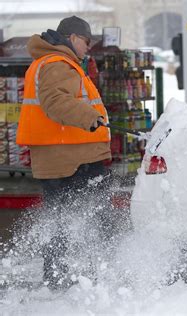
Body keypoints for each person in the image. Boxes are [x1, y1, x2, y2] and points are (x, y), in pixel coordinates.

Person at [16, 16, 112, 290]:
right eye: (86, 41)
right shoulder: (56, 64)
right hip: (71, 160)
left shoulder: (56, 63)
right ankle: (70, 281)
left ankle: (64, 279)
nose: (88, 48)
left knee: (65, 221)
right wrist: (89, 117)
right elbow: (56, 102)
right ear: (71, 38)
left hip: (68, 156)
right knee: (81, 220)